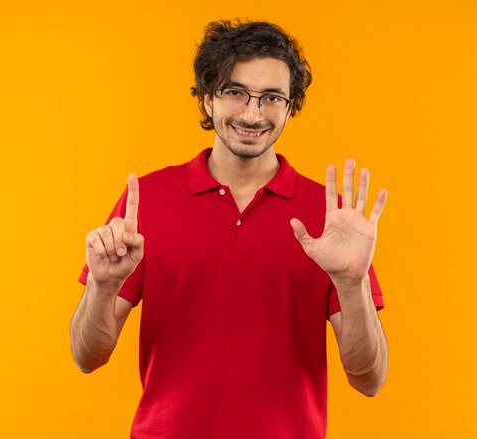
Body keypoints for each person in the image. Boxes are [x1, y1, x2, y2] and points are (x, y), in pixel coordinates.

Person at [70, 19, 389, 439]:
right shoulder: (145, 199)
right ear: (207, 99)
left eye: (272, 97)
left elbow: (369, 379)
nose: (253, 114)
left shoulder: (329, 217)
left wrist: (351, 283)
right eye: (235, 92)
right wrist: (103, 287)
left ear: (291, 106)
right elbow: (87, 355)